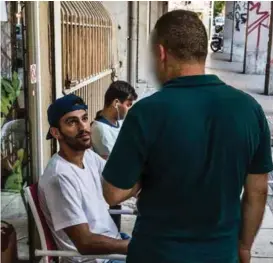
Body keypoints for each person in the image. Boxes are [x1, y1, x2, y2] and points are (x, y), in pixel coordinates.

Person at [101, 10, 273, 263]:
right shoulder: (250, 110)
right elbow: (257, 191)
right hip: (221, 255)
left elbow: (113, 193)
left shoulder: (146, 112)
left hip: (156, 254)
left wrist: (147, 174)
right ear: (203, 53)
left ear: (161, 53)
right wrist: (244, 246)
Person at [38, 94, 131, 263]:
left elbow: (117, 182)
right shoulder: (60, 177)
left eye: (85, 118)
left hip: (113, 243)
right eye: (71, 122)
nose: (83, 127)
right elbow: (85, 243)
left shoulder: (88, 156)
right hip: (96, 259)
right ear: (56, 132)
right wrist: (135, 246)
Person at [91, 81, 138, 159]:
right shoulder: (101, 130)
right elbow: (115, 163)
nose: (130, 109)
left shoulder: (118, 121)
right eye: (128, 105)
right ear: (116, 103)